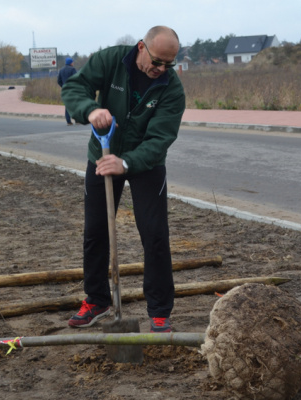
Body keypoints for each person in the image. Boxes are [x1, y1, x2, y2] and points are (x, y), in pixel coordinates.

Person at [62, 26, 185, 333]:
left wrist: (127, 162)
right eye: (156, 61)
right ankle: (97, 300)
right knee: (95, 231)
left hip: (145, 163)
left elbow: (160, 139)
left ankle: (159, 310)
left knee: (155, 234)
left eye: (168, 64)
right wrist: (90, 110)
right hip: (103, 155)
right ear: (142, 46)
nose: (160, 70)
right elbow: (74, 89)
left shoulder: (171, 89)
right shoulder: (111, 61)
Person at [57, 57, 77, 126]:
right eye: (73, 62)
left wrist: (63, 86)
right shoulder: (73, 69)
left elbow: (58, 81)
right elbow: (76, 78)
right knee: (75, 104)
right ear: (70, 63)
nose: (73, 63)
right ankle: (77, 120)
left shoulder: (61, 70)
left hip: (65, 90)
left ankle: (68, 121)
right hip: (72, 89)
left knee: (67, 105)